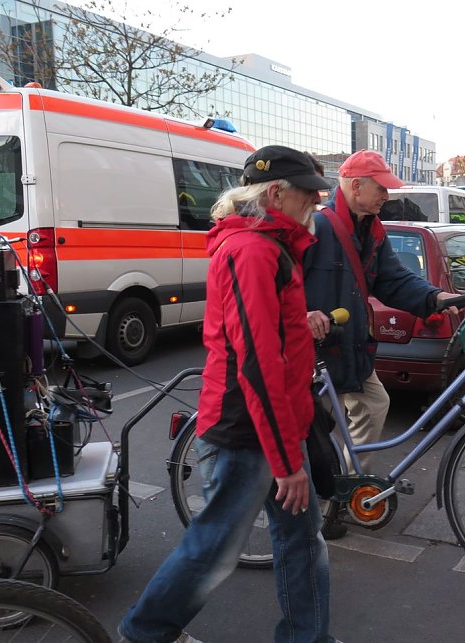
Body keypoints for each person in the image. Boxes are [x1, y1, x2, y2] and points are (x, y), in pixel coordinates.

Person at [119, 146, 340, 643]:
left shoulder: (270, 247)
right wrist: (287, 461)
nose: (315, 202)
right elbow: (256, 362)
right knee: (215, 548)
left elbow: (266, 337)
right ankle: (145, 632)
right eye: (308, 193)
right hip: (247, 431)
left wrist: (298, 324)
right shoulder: (253, 251)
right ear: (276, 193)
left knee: (301, 542)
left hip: (269, 425)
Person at [302, 150, 456, 538]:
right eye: (381, 189)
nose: (387, 196)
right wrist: (302, 316)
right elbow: (285, 282)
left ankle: (349, 490)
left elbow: (393, 279)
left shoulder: (372, 230)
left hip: (352, 346)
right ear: (356, 186)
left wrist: (434, 298)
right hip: (316, 351)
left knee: (373, 404)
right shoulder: (317, 227)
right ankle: (319, 504)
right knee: (312, 431)